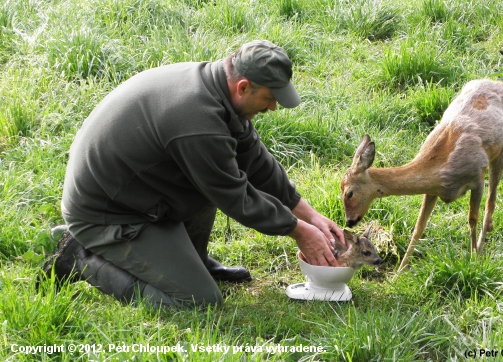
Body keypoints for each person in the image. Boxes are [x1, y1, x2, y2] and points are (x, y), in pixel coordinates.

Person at [37, 40, 344, 307]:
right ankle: (81, 257)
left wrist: (309, 215)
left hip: (140, 192)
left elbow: (254, 159)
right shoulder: (197, 121)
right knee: (197, 300)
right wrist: (298, 231)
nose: (274, 107)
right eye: (270, 98)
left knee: (211, 173)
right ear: (243, 87)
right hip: (109, 213)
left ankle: (193, 262)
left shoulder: (216, 88)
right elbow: (234, 195)